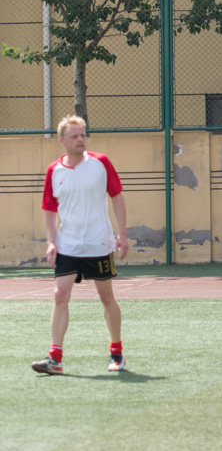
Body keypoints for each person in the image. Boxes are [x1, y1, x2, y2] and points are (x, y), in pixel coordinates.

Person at [32, 115, 130, 375]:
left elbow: (117, 196)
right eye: (74, 136)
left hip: (98, 244)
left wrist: (121, 233)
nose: (80, 140)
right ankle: (55, 359)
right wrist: (51, 241)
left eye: (82, 135)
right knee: (59, 295)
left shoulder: (100, 163)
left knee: (106, 298)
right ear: (62, 141)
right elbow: (49, 208)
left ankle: (117, 352)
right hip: (68, 245)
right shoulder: (54, 170)